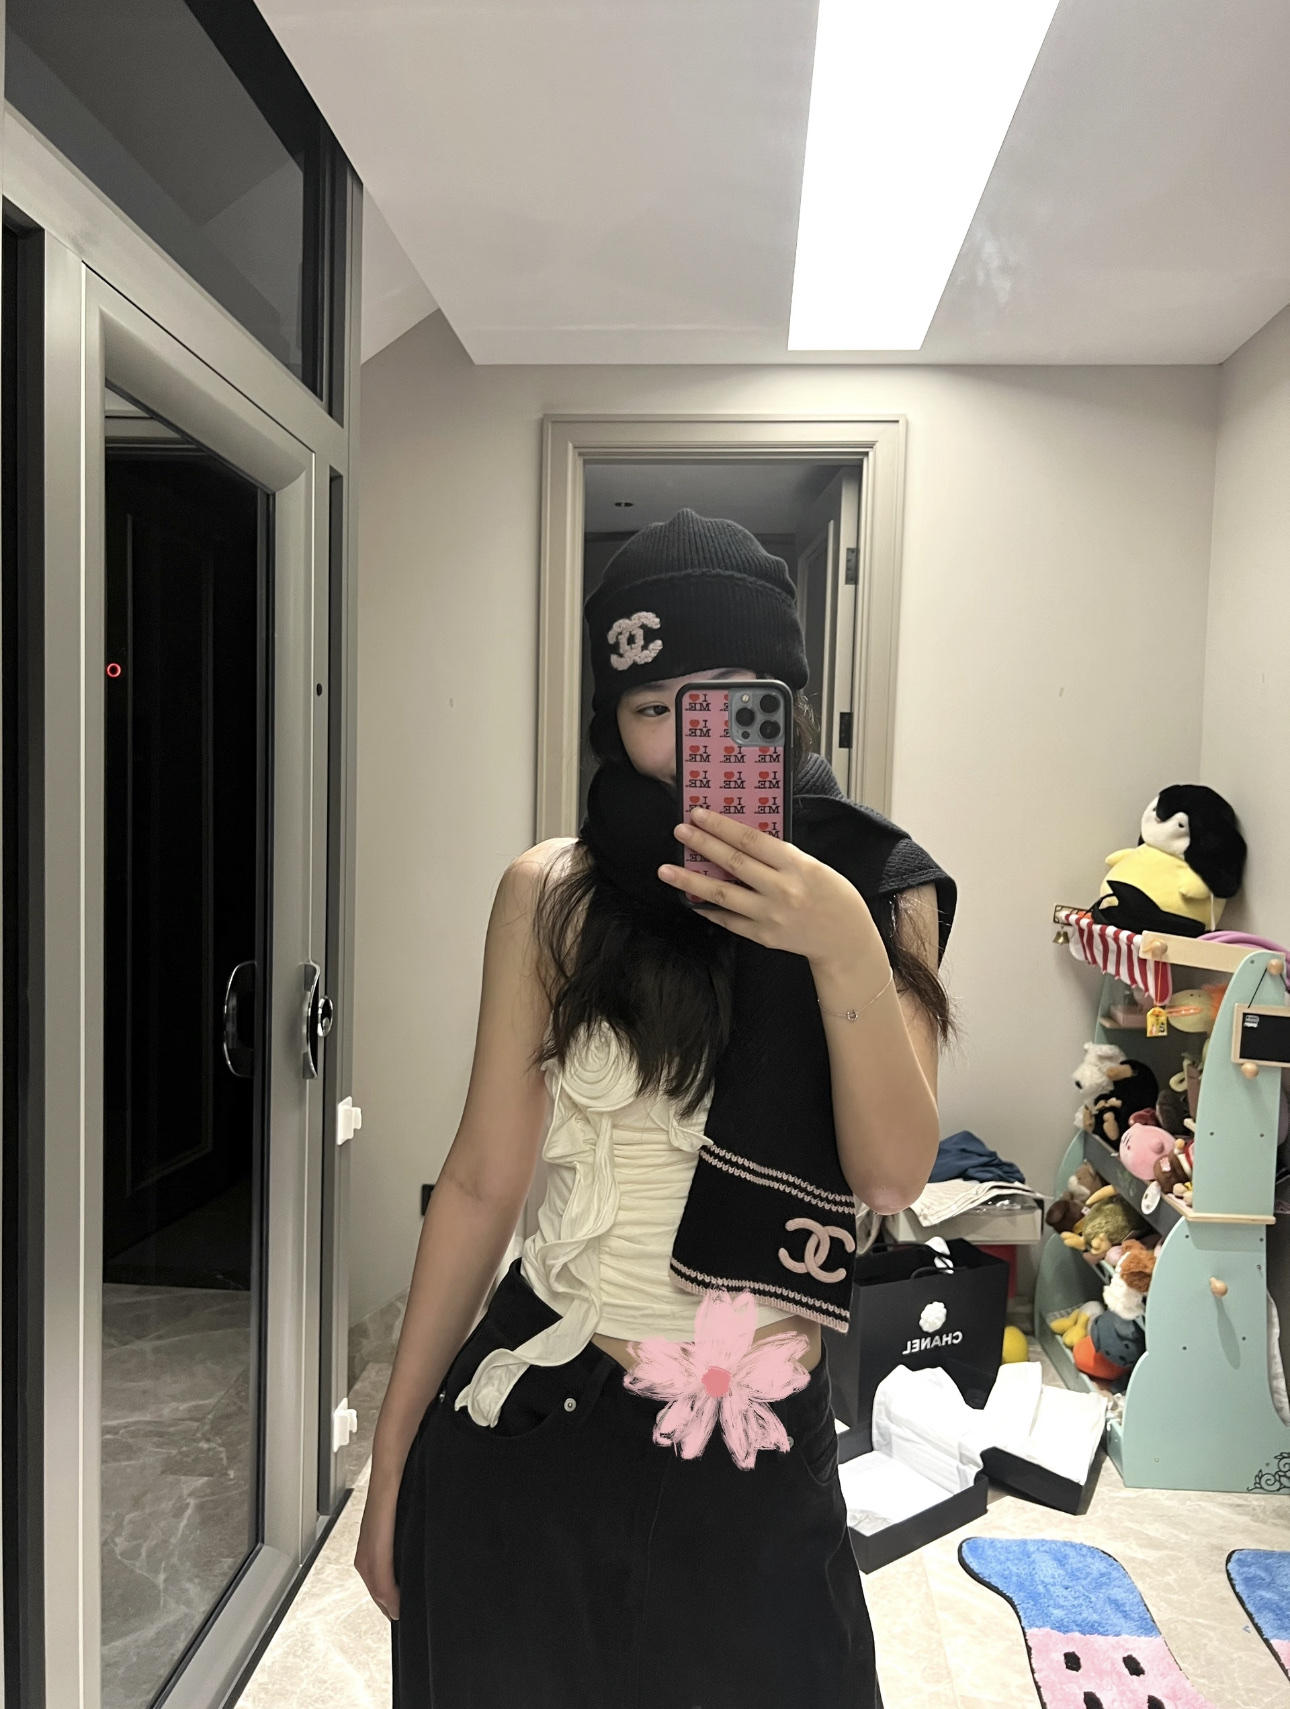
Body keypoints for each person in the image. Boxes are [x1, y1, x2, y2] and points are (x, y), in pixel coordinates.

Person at [356, 510, 956, 1708]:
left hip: (754, 1441)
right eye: (652, 705)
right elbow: (480, 1178)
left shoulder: (878, 893)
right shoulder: (553, 894)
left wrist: (838, 942)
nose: (692, 744)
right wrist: (392, 1451)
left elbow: (891, 1177)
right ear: (610, 719)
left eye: (728, 700)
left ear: (787, 704)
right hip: (543, 1415)